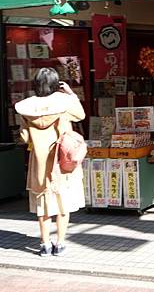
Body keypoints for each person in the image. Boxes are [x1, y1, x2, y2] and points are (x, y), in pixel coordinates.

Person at [14, 68, 86, 257]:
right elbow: (80, 115)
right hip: (62, 162)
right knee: (63, 204)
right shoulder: (63, 103)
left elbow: (24, 137)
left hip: (39, 163)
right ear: (56, 84)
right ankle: (60, 243)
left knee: (43, 206)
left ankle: (45, 244)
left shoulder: (27, 108)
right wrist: (71, 94)